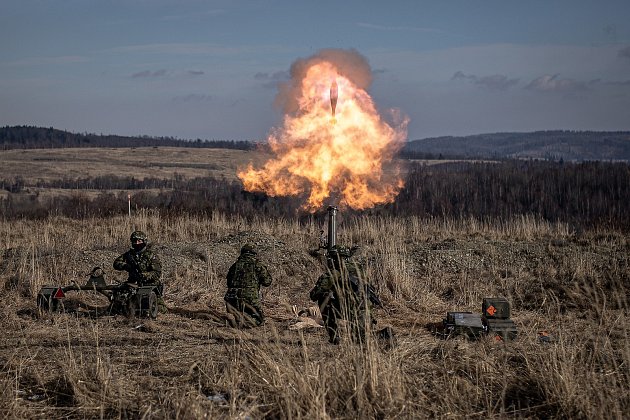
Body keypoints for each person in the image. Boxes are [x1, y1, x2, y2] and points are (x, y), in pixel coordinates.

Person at [309, 245, 378, 344]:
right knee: (363, 339)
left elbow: (314, 295)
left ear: (335, 259)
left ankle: (335, 336)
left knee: (323, 299)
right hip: (366, 317)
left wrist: (327, 291)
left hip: (349, 313)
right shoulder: (360, 270)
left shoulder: (333, 273)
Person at [113, 230, 165, 312]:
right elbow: (116, 263)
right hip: (133, 283)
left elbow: (157, 273)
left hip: (150, 284)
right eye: (134, 241)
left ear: (144, 241)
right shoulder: (129, 254)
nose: (137, 243)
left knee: (158, 309)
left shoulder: (151, 256)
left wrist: (144, 275)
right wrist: (126, 266)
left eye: (139, 241)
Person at [224, 243, 273, 327]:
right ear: (254, 253)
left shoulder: (235, 265)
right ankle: (244, 322)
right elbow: (267, 282)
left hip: (231, 298)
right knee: (259, 320)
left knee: (238, 313)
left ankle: (235, 318)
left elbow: (229, 283)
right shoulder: (257, 265)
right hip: (249, 298)